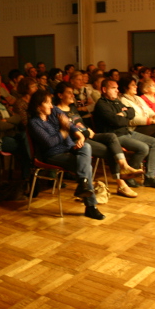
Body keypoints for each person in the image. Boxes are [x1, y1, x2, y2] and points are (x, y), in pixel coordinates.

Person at [54, 82, 143, 198]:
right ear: (60, 95)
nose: (72, 95)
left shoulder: (72, 107)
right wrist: (86, 132)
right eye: (69, 93)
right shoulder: (57, 111)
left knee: (111, 137)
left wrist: (88, 129)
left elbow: (79, 123)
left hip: (87, 135)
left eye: (72, 93)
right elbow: (69, 130)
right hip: (76, 141)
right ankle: (121, 183)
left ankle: (124, 166)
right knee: (111, 150)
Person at [28, 89, 105, 220]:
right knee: (86, 167)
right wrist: (63, 131)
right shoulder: (34, 123)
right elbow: (49, 143)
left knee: (86, 146)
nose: (52, 106)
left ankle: (83, 184)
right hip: (53, 154)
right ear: (38, 106)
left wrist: (79, 136)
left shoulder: (54, 111)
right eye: (48, 103)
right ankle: (91, 206)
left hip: (69, 147)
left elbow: (70, 125)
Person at [93, 79, 155, 189]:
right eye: (113, 88)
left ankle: (149, 178)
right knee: (144, 148)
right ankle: (128, 176)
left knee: (154, 142)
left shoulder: (116, 101)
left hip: (127, 132)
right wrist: (124, 116)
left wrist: (123, 113)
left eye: (117, 88)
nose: (117, 91)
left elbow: (131, 112)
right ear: (104, 89)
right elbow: (117, 121)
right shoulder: (101, 105)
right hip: (115, 136)